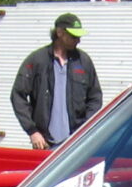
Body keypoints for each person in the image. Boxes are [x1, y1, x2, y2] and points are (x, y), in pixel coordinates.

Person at [10, 13, 102, 150]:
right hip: (45, 145)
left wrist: (86, 127)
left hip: (77, 145)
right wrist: (32, 131)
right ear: (59, 33)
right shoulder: (37, 60)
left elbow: (95, 97)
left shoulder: (84, 61)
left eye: (79, 36)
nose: (78, 40)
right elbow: (17, 95)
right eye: (73, 36)